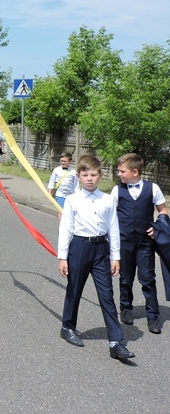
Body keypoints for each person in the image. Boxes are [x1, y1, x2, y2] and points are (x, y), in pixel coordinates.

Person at [57, 155, 135, 360]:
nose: (89, 178)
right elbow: (66, 229)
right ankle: (67, 327)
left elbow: (113, 228)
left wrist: (115, 257)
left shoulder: (108, 199)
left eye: (93, 174)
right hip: (79, 248)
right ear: (78, 176)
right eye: (85, 175)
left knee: (106, 294)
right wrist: (63, 257)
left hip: (101, 249)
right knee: (74, 289)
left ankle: (116, 342)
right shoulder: (72, 200)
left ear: (100, 175)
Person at [111, 153, 168, 334]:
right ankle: (125, 308)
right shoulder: (116, 190)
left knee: (148, 279)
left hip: (145, 243)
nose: (119, 174)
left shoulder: (153, 188)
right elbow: (109, 215)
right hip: (124, 241)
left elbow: (163, 209)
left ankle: (153, 316)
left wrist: (159, 224)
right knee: (126, 278)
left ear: (135, 171)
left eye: (122, 171)